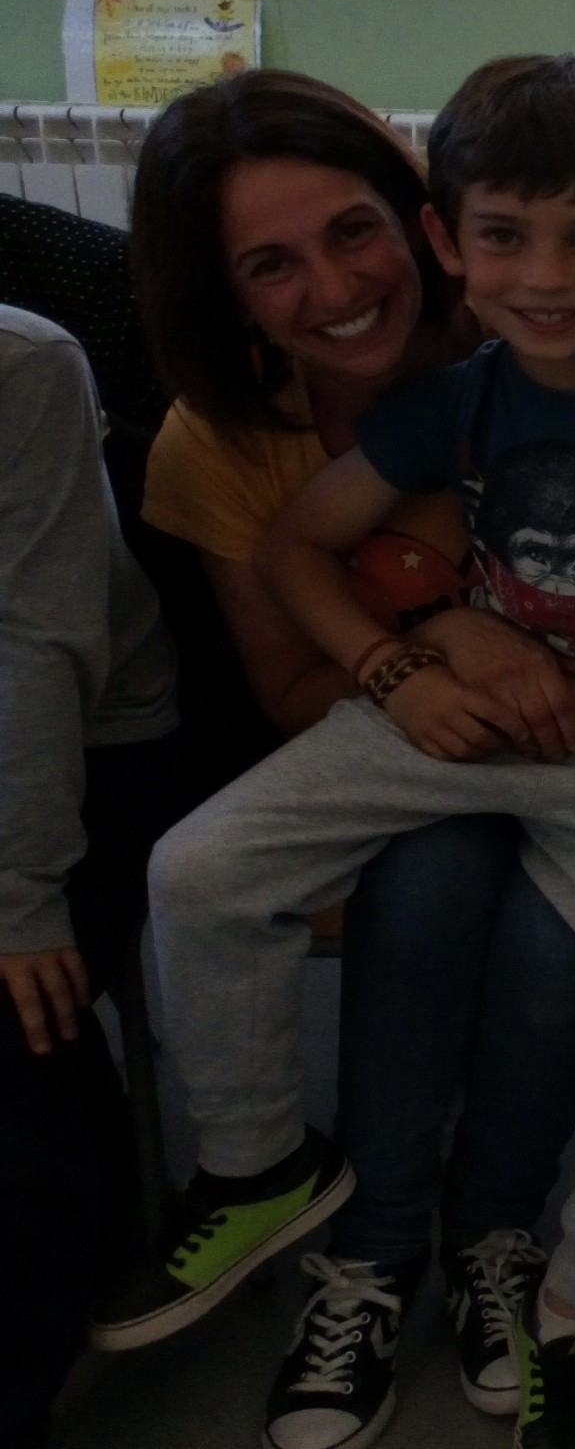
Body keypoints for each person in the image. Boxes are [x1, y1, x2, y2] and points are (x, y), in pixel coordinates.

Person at [123, 54, 575, 1449]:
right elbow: (298, 550)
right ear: (452, 237)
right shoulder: (449, 405)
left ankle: (566, 1307)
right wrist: (398, 669)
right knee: (196, 872)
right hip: (440, 730)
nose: (545, 276)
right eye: (504, 237)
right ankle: (266, 1167)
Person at [0, 305, 183, 1449]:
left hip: (80, 748)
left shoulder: (23, 367)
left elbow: (35, 647)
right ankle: (103, 1211)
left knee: (18, 1011)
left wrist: (17, 899)